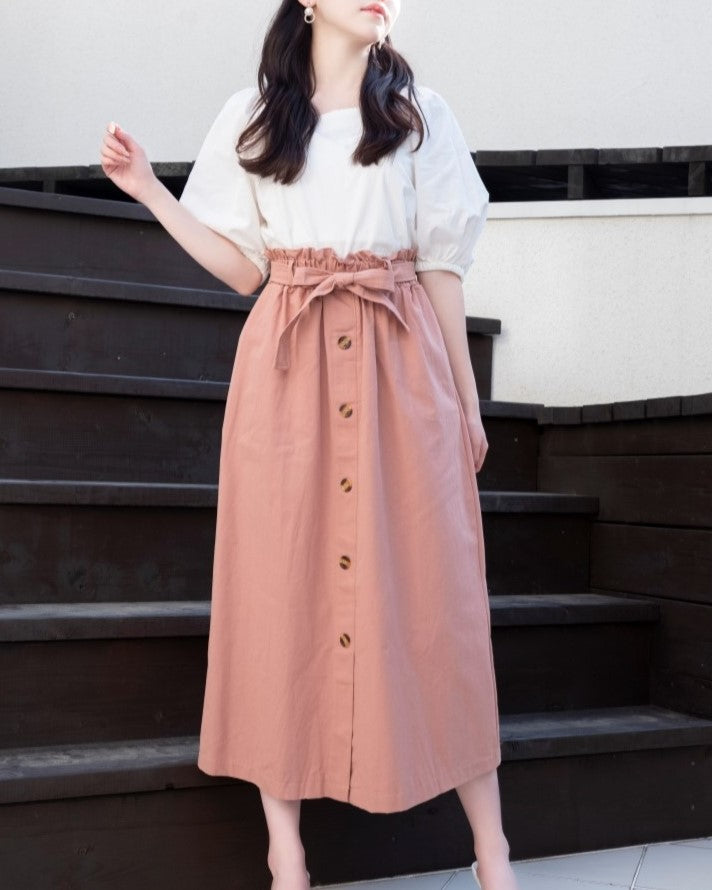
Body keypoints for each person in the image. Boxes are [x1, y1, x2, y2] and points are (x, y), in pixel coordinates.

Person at [100, 2, 520, 888]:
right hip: (287, 372)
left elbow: (441, 267)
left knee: (436, 596)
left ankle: (493, 851)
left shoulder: (419, 116)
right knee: (277, 593)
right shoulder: (253, 117)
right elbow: (242, 268)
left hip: (400, 363)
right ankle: (284, 852)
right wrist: (150, 192)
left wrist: (465, 401)